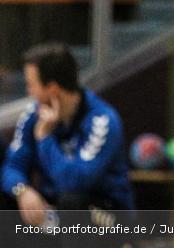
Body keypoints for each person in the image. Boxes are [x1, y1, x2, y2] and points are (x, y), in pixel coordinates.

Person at [1, 43, 133, 235]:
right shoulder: (32, 115)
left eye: (31, 85)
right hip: (53, 211)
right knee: (8, 194)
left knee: (72, 203)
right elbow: (12, 166)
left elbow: (74, 182)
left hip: (106, 216)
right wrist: (22, 191)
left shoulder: (102, 121)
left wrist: (45, 138)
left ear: (53, 89)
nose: (29, 93)